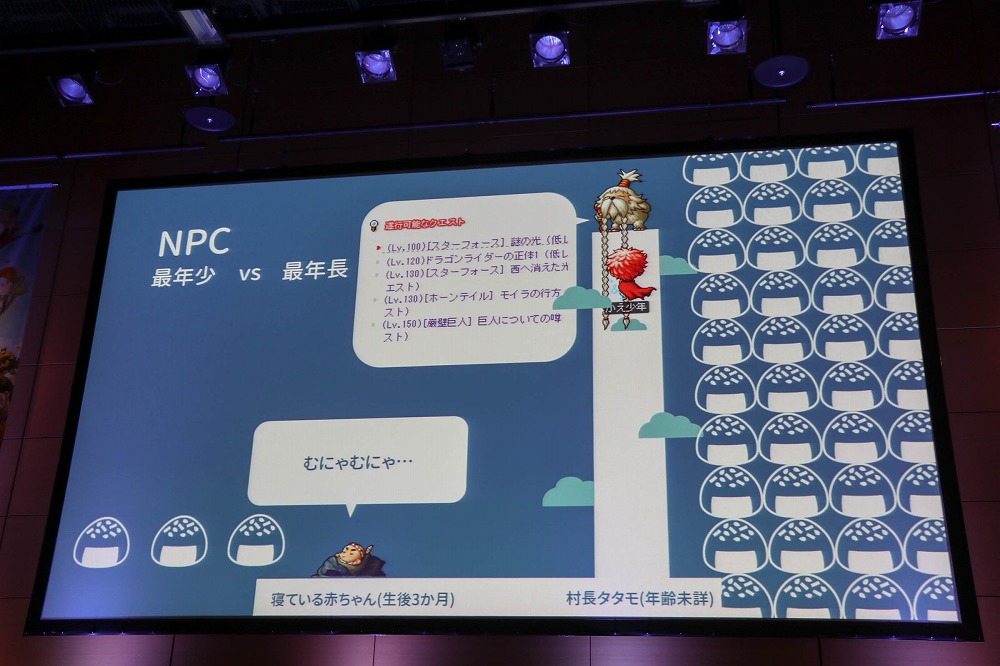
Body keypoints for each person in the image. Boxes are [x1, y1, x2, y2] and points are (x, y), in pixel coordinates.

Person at [313, 542, 386, 577]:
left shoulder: (364, 568)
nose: (347, 552)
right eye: (346, 550)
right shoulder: (332, 563)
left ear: (357, 561)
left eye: (351, 553)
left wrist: (366, 556)